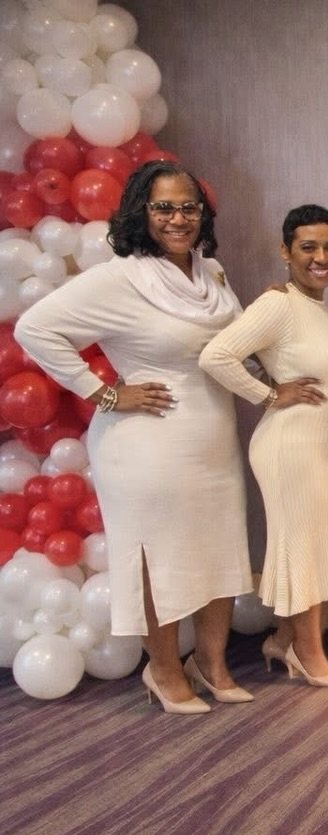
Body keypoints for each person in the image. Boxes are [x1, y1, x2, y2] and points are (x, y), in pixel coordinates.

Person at [16, 160, 253, 714]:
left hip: (213, 437)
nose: (178, 219)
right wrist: (102, 393)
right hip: (146, 442)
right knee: (156, 556)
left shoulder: (212, 274)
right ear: (139, 213)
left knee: (220, 545)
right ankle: (163, 669)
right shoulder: (119, 277)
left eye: (189, 207)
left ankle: (211, 663)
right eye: (163, 207)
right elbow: (34, 328)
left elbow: (235, 346)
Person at [200, 204, 328, 687]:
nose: (321, 258)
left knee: (321, 546)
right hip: (292, 447)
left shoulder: (327, 313)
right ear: (286, 252)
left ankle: (283, 639)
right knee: (304, 547)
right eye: (308, 247)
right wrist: (270, 395)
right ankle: (307, 653)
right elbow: (217, 356)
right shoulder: (278, 304)